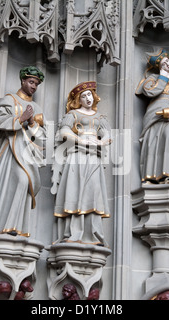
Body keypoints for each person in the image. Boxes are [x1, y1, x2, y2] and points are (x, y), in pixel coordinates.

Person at [0, 66, 46, 237]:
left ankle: (17, 226)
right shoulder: (9, 100)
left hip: (28, 152)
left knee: (25, 183)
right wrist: (21, 119)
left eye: (37, 84)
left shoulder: (37, 107)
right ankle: (4, 225)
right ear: (23, 81)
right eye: (32, 82)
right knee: (18, 180)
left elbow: (43, 137)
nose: (34, 87)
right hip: (12, 149)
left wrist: (33, 123)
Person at [51, 81, 111, 246]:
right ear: (79, 99)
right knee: (77, 191)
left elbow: (107, 135)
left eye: (89, 94)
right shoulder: (73, 114)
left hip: (94, 158)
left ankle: (93, 234)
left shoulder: (100, 117)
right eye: (83, 96)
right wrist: (81, 141)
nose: (87, 98)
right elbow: (64, 131)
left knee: (93, 192)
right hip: (77, 157)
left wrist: (100, 143)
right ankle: (74, 233)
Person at [135, 49, 169, 185]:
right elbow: (150, 92)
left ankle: (168, 174)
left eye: (168, 61)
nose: (167, 64)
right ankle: (150, 177)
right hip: (153, 114)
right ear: (159, 66)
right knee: (153, 141)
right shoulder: (152, 79)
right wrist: (163, 76)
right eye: (164, 63)